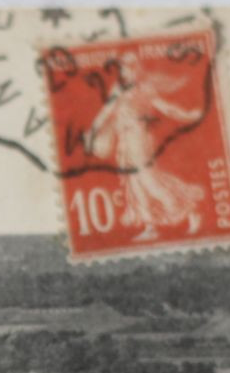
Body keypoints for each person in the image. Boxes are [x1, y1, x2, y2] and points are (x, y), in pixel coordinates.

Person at [86, 51, 205, 241]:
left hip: (139, 139)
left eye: (128, 69)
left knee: (149, 179)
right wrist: (92, 131)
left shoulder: (145, 89)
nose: (124, 73)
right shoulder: (118, 90)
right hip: (124, 142)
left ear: (136, 70)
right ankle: (150, 226)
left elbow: (165, 107)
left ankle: (190, 211)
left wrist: (188, 115)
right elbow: (105, 112)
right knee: (134, 184)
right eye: (122, 69)